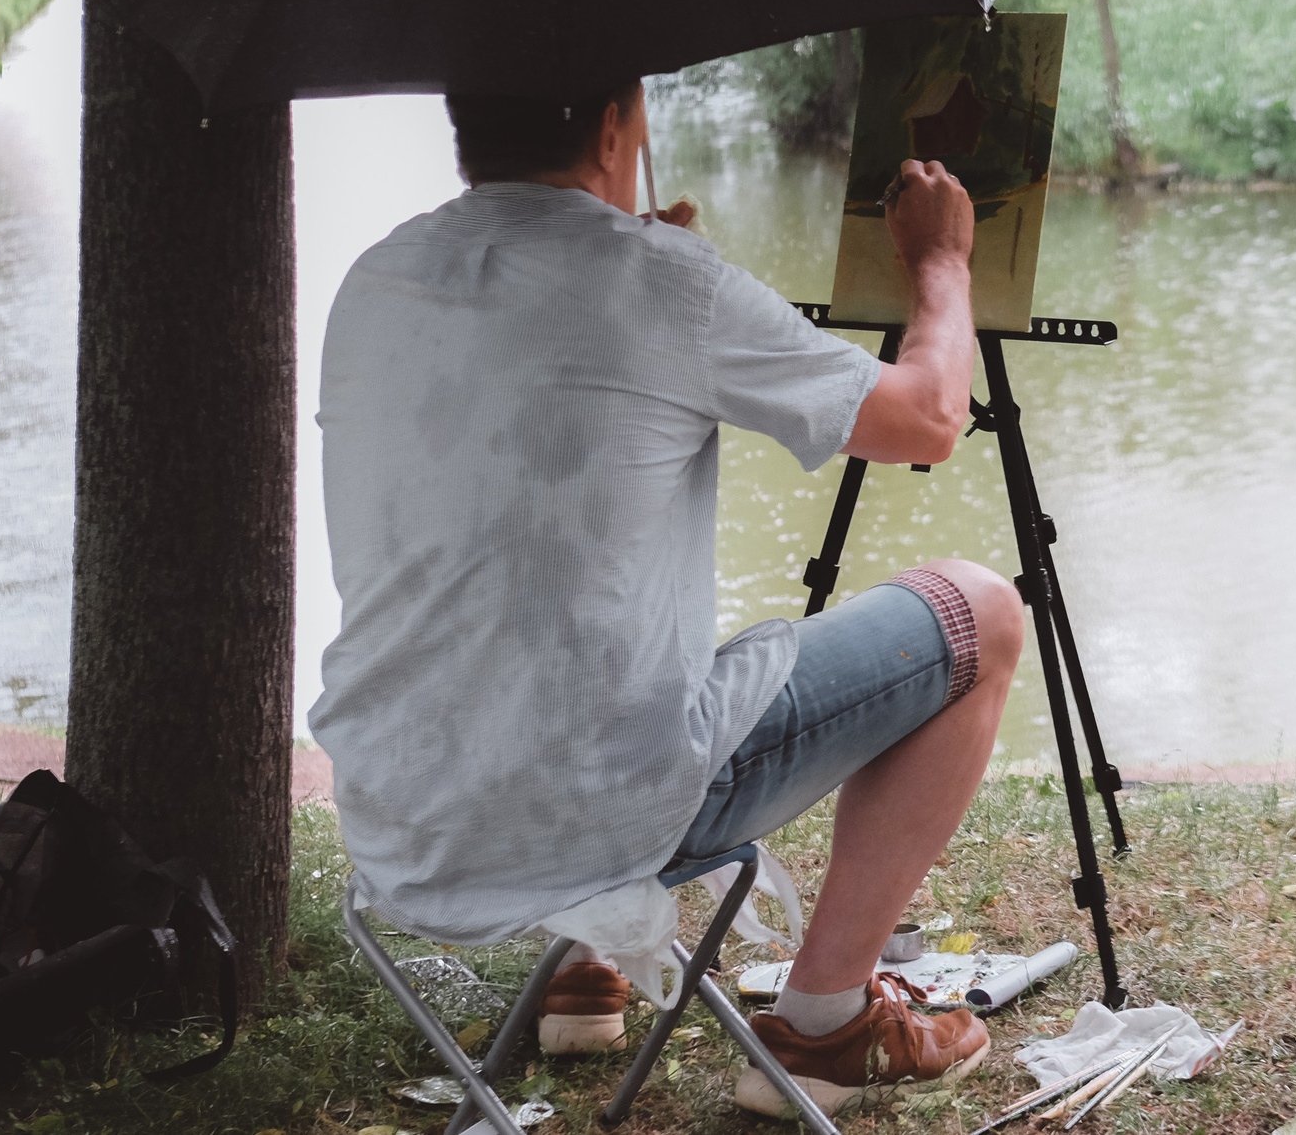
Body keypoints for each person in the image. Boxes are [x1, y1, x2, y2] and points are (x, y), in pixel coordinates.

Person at [311, 79, 1023, 1119]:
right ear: (614, 122)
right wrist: (942, 262)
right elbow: (926, 417)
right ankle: (828, 1022)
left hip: (404, 811)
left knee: (578, 608)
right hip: (596, 816)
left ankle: (582, 969)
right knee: (983, 611)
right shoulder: (660, 282)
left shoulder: (378, 276)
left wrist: (639, 258)